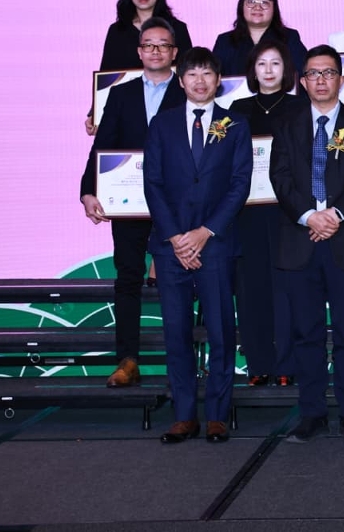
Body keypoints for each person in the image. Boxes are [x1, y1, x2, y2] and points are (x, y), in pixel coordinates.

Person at [270, 46, 344, 444]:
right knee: (307, 333)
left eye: (329, 73)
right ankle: (312, 414)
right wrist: (309, 216)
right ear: (302, 81)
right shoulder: (286, 124)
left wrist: (333, 215)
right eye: (313, 74)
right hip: (300, 240)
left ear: (342, 79)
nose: (321, 80)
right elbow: (280, 178)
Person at [143, 47, 252, 444]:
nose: (200, 81)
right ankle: (184, 414)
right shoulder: (162, 124)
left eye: (207, 74)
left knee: (221, 331)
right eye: (192, 74)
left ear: (218, 80)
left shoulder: (235, 124)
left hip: (216, 244)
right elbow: (152, 183)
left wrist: (205, 232)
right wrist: (176, 237)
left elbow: (240, 184)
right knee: (176, 333)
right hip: (170, 247)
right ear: (181, 79)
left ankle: (218, 415)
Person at [79, 17, 186, 388]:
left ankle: (181, 363)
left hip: (176, 204)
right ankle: (127, 361)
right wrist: (88, 190)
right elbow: (102, 146)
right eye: (149, 45)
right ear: (139, 51)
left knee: (179, 280)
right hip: (129, 203)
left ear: (174, 52)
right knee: (127, 278)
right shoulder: (121, 94)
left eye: (163, 45)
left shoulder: (188, 91)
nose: (156, 51)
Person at [229, 40, 306, 387]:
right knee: (251, 289)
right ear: (253, 70)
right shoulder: (237, 109)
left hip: (288, 211)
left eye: (276, 63)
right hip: (247, 211)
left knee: (287, 289)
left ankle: (287, 363)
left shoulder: (299, 107)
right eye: (262, 64)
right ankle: (258, 363)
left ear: (286, 70)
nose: (269, 70)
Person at [86, 0, 192, 135]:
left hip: (171, 110)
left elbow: (188, 71)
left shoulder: (177, 28)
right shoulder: (117, 31)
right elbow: (106, 74)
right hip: (127, 111)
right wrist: (95, 113)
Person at [211, 0, 308, 78]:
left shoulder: (289, 38)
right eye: (251, 2)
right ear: (241, 7)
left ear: (274, 9)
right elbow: (214, 78)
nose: (257, 7)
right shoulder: (225, 41)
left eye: (264, 3)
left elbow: (303, 74)